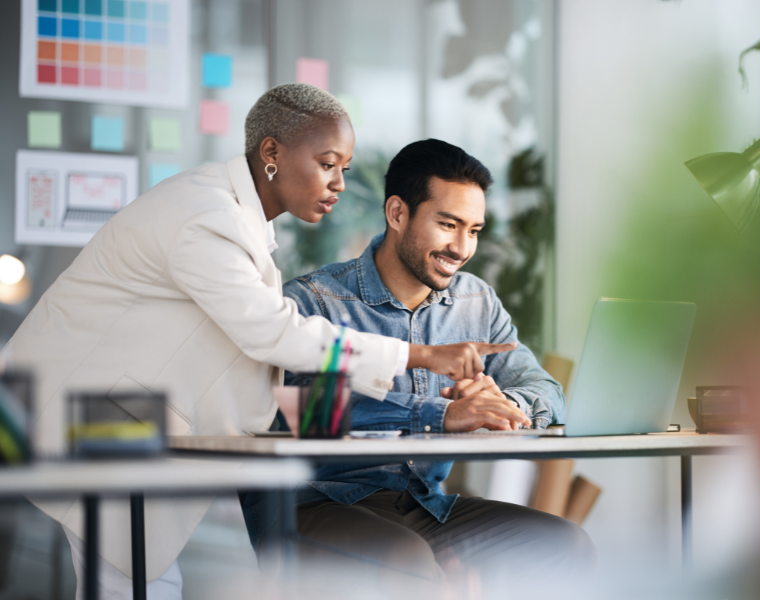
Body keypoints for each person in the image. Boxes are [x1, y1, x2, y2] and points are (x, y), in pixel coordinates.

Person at [2, 87, 513, 598]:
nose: (338, 184)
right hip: (91, 414)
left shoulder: (236, 220)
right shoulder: (208, 217)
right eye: (326, 163)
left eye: (345, 168)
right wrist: (418, 359)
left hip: (118, 416)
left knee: (136, 579)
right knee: (132, 581)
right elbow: (273, 335)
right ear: (272, 154)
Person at [241, 139, 596, 592]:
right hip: (313, 505)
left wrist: (502, 402)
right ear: (397, 214)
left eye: (474, 230)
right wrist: (439, 415)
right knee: (407, 559)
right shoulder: (313, 301)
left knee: (564, 545)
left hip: (425, 506)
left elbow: (544, 388)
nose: (462, 247)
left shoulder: (475, 301)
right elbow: (296, 411)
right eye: (448, 225)